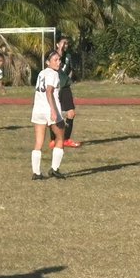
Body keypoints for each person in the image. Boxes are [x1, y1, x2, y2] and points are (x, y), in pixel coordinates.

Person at [32, 49, 67, 180]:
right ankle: (55, 169)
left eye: (59, 59)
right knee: (60, 138)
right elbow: (49, 91)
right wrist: (53, 110)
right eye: (55, 60)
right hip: (49, 109)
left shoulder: (41, 73)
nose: (59, 62)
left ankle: (36, 173)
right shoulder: (53, 74)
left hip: (38, 109)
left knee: (38, 142)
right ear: (48, 62)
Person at [53, 36, 80, 147]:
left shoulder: (68, 56)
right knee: (55, 114)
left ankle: (66, 139)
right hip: (55, 87)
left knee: (71, 113)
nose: (65, 45)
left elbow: (71, 70)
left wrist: (69, 79)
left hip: (65, 88)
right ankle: (53, 140)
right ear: (57, 44)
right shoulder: (53, 56)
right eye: (63, 43)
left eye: (67, 43)